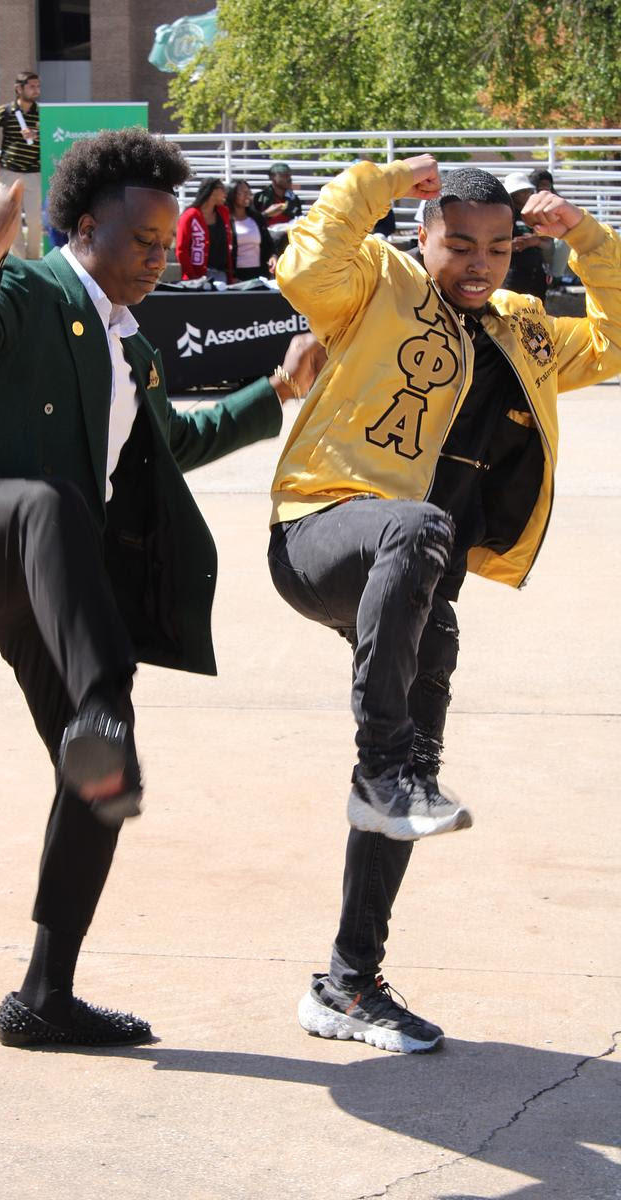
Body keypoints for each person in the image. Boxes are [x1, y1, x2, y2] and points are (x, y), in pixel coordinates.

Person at [0, 129, 320, 1051]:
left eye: (168, 242)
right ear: (85, 229)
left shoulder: (133, 348)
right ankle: (99, 698)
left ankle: (45, 997)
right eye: (143, 241)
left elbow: (177, 443)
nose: (160, 258)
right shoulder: (33, 289)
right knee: (51, 506)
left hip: (42, 585)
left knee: (105, 776)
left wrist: (277, 390)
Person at [268, 153, 621, 1053]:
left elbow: (618, 335)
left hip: (420, 583)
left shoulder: (525, 329)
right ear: (424, 237)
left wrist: (585, 237)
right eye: (459, 244)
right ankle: (383, 764)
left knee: (411, 785)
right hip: (321, 533)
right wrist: (382, 181)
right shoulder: (376, 284)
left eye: (497, 249)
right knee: (417, 532)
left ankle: (348, 983)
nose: (478, 264)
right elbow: (304, 266)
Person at [0, 70, 41, 259]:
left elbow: (52, 135)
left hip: (34, 173)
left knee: (35, 220)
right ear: (18, 89)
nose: (36, 90)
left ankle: (33, 261)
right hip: (8, 172)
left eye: (38, 86)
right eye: (31, 86)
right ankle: (19, 261)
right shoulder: (4, 112)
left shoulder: (42, 113)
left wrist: (36, 135)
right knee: (11, 220)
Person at [175, 177, 234, 283]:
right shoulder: (190, 216)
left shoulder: (223, 212)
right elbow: (181, 250)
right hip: (197, 276)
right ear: (213, 191)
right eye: (223, 189)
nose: (225, 193)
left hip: (222, 274)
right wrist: (193, 278)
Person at [502, 170, 550, 301]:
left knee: (537, 309)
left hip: (536, 272)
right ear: (512, 193)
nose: (526, 194)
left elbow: (548, 244)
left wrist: (535, 241)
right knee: (512, 307)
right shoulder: (504, 215)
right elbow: (494, 245)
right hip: (513, 271)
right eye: (521, 191)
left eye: (528, 190)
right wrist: (513, 245)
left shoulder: (535, 213)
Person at [226, 179, 275, 280]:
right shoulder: (225, 220)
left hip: (259, 273)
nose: (247, 196)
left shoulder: (257, 218)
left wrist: (273, 256)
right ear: (232, 195)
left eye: (249, 193)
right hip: (236, 275)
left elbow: (269, 244)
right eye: (243, 193)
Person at [253, 162, 302, 228]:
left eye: (289, 175)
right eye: (284, 175)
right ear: (272, 177)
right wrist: (266, 214)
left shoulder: (294, 199)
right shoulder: (260, 198)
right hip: (267, 233)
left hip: (288, 233)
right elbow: (251, 222)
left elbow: (299, 220)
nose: (288, 178)